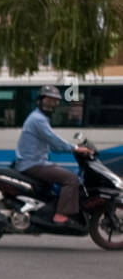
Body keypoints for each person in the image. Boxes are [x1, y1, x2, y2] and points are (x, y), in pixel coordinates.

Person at [15, 85, 93, 224]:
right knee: (72, 179)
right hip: (33, 164)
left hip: (35, 162)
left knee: (66, 174)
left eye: (55, 100)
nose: (53, 103)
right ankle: (61, 214)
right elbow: (54, 140)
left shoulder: (39, 118)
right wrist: (75, 148)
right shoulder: (38, 119)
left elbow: (55, 146)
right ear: (40, 100)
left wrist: (72, 148)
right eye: (49, 100)